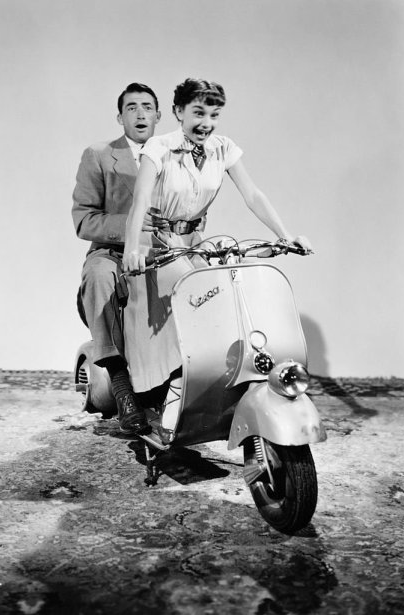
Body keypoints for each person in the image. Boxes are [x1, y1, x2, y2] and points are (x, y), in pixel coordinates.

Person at [122, 77, 312, 394]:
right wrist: (131, 249)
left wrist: (285, 235)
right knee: (192, 297)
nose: (206, 123)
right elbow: (140, 201)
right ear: (178, 111)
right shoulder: (158, 148)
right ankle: (174, 385)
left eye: (214, 115)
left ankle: (225, 378)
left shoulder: (222, 148)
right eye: (198, 113)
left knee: (229, 288)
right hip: (155, 244)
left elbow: (252, 194)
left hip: (195, 242)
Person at [72, 82, 161, 435]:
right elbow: (84, 219)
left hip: (164, 251)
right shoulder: (98, 154)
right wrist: (132, 225)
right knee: (98, 277)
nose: (140, 113)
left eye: (147, 106)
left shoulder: (174, 154)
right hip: (113, 251)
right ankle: (121, 385)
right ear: (120, 116)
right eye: (131, 107)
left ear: (159, 115)